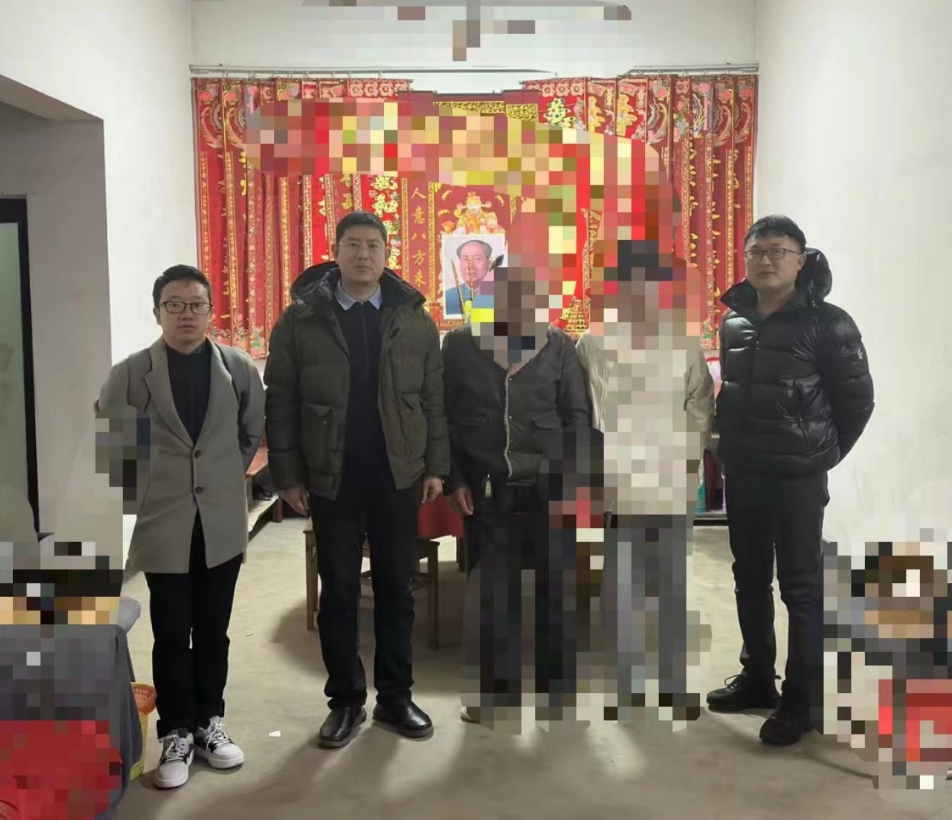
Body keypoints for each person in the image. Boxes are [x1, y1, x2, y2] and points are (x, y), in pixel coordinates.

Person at [264, 211, 449, 749]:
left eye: (372, 245)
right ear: (336, 252)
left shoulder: (413, 319)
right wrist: (288, 476)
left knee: (396, 588)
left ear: (387, 254)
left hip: (397, 474)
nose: (363, 254)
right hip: (332, 476)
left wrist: (435, 465)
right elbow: (282, 402)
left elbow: (432, 399)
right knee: (340, 592)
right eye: (353, 245)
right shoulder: (301, 320)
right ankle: (345, 700)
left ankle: (395, 696)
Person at [95, 264, 265, 789]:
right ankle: (175, 732)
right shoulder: (130, 374)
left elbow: (250, 434)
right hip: (164, 523)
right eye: (174, 305)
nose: (186, 314)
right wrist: (154, 491)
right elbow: (115, 450)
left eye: (196, 305)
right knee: (171, 633)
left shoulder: (237, 368)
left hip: (221, 524)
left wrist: (218, 478)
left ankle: (210, 722)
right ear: (157, 312)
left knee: (214, 630)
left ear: (211, 312)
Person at [706, 215, 874, 746]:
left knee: (800, 588)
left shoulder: (831, 324)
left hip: (798, 477)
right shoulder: (734, 322)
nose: (766, 260)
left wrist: (820, 454)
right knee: (749, 577)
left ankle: (803, 702)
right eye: (756, 251)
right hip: (745, 471)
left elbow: (857, 401)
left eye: (778, 251)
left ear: (801, 260)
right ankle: (757, 678)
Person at [443, 258, 592, 728]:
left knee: (556, 592)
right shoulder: (460, 345)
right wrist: (455, 480)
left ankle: (557, 690)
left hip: (550, 487)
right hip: (487, 488)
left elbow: (577, 417)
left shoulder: (558, 344)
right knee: (493, 596)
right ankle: (493, 693)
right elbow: (443, 418)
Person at [576, 240, 714, 723]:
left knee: (671, 586)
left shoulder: (684, 341)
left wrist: (681, 459)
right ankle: (627, 684)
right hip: (618, 481)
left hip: (670, 477)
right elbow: (587, 412)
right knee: (622, 588)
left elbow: (700, 405)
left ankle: (674, 683)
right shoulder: (593, 343)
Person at [445, 238, 496, 316]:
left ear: (489, 264)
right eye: (465, 259)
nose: (470, 265)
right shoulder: (448, 297)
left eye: (477, 259)